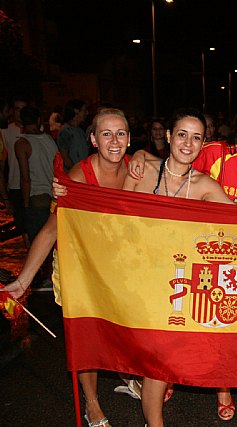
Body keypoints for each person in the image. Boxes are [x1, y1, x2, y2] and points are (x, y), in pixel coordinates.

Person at [128, 97, 237, 422]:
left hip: (225, 259)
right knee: (169, 340)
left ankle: (222, 386)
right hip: (170, 264)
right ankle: (165, 386)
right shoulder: (214, 155)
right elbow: (118, 194)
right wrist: (140, 156)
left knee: (217, 331)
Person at [2, 108, 134, 427]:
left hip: (117, 263)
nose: (114, 141)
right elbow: (51, 230)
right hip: (80, 264)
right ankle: (92, 403)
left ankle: (126, 373)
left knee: (122, 326)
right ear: (93, 139)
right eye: (106, 134)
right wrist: (23, 280)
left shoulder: (137, 167)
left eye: (120, 133)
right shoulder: (77, 178)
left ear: (129, 138)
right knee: (87, 335)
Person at [122, 107, 233, 427]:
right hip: (138, 279)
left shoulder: (205, 186)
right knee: (154, 359)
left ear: (203, 144)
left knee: (162, 358)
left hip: (177, 284)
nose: (188, 143)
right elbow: (115, 217)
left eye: (196, 137)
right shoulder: (142, 169)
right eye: (182, 134)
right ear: (169, 136)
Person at [14, 105, 58, 252]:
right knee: (52, 246)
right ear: (39, 120)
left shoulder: (22, 143)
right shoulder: (49, 139)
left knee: (37, 247)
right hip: (53, 197)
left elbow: (25, 178)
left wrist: (25, 205)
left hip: (37, 199)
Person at [1, 95, 29, 247]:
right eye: (17, 109)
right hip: (16, 185)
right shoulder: (5, 131)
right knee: (22, 224)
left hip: (35, 184)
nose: (20, 113)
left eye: (23, 109)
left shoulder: (36, 129)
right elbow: (3, 163)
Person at [57, 99, 89, 172]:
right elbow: (65, 158)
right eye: (84, 110)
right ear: (76, 111)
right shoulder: (65, 132)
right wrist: (76, 172)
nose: (87, 113)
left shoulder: (79, 130)